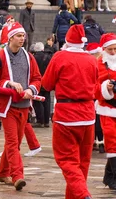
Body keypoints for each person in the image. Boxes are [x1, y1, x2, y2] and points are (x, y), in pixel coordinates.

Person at [42, 24, 97, 199]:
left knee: (67, 160)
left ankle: (83, 195)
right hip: (88, 115)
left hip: (66, 115)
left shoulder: (60, 57)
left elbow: (47, 84)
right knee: (82, 163)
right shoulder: (91, 60)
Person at [0, 22, 42, 191]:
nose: (22, 39)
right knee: (12, 143)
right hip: (8, 106)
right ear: (10, 37)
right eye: (19, 36)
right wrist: (9, 83)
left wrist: (30, 89)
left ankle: (3, 172)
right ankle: (17, 176)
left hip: (24, 105)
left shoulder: (29, 57)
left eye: (23, 36)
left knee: (15, 143)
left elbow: (37, 78)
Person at [95, 33, 116, 191]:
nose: (114, 52)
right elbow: (93, 89)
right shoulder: (98, 65)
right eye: (110, 50)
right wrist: (106, 88)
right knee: (112, 142)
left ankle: (108, 176)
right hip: (107, 108)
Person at [31, 42, 53, 128]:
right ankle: (47, 121)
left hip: (37, 82)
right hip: (47, 82)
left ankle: (40, 121)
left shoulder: (34, 58)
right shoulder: (49, 57)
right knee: (47, 101)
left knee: (38, 101)